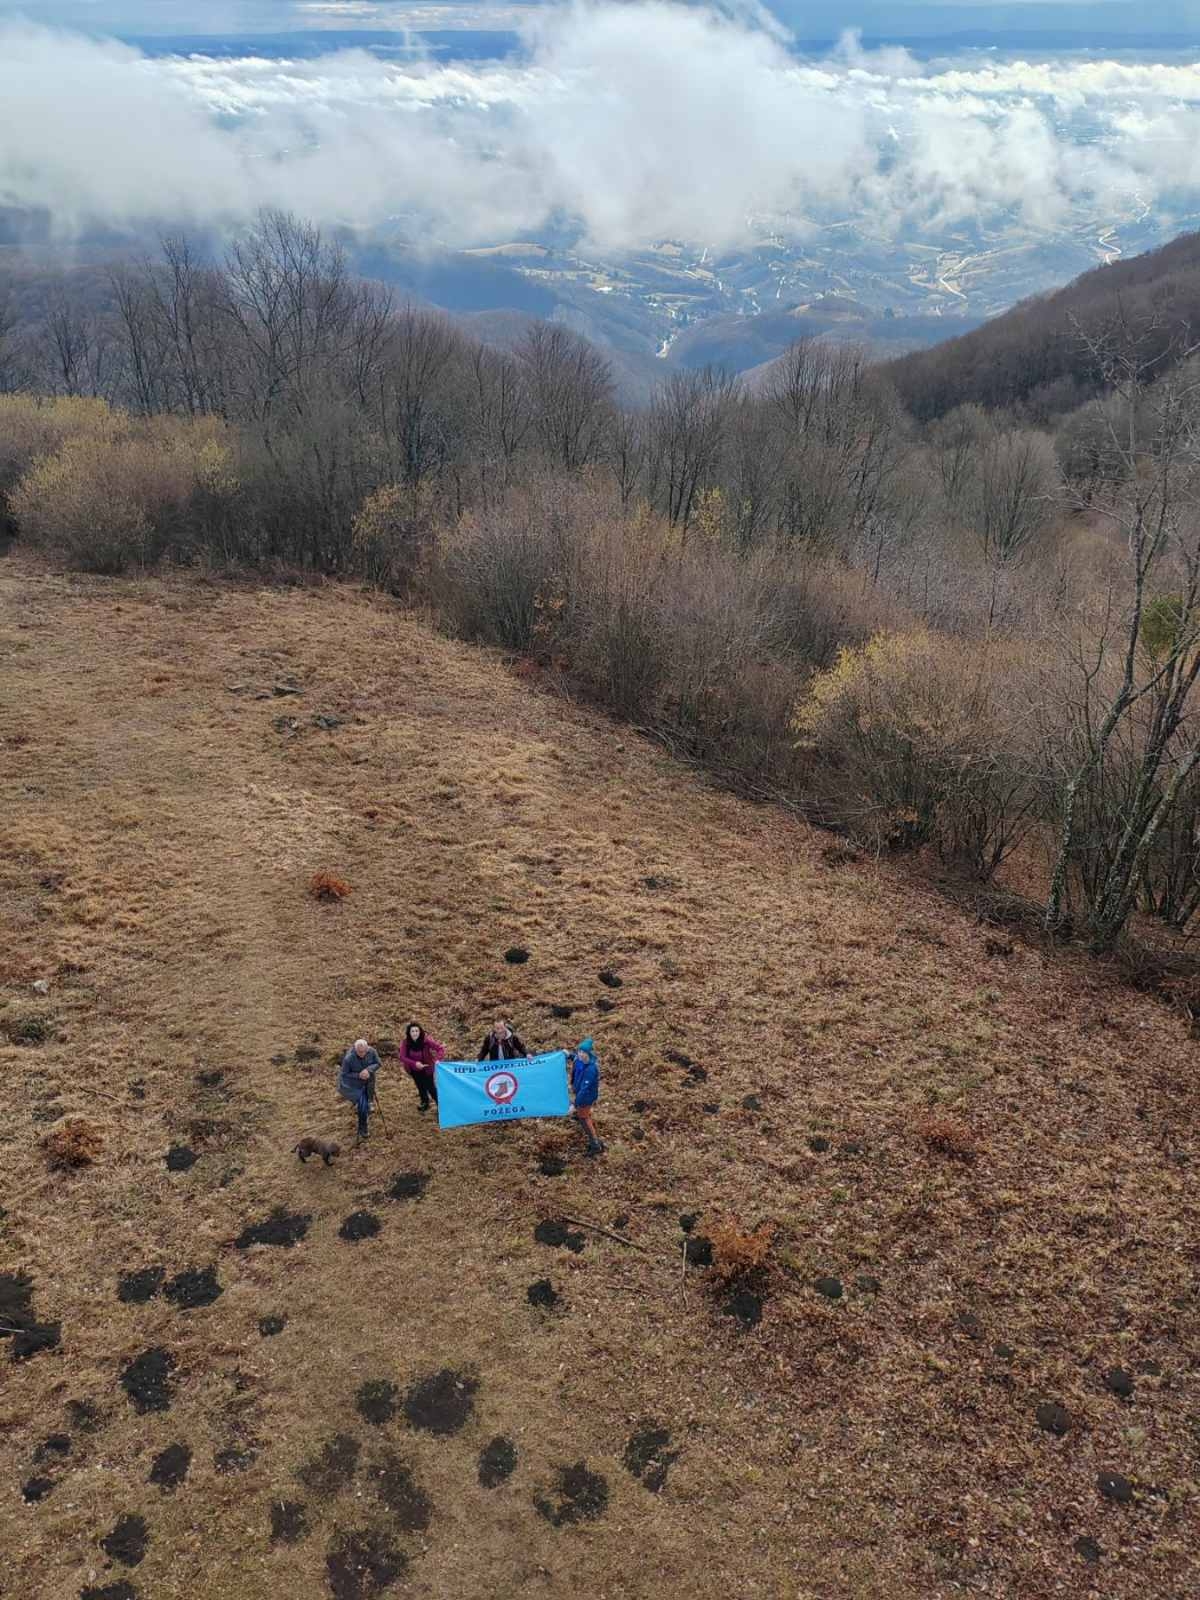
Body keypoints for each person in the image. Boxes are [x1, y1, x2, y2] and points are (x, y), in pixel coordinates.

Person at [339, 1037, 381, 1141]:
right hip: (355, 1084)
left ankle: (368, 1103)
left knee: (368, 1100)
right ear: (355, 1049)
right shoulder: (348, 1058)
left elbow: (378, 1063)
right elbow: (344, 1074)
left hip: (369, 1081)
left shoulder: (372, 1051)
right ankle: (363, 1128)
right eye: (359, 1052)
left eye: (364, 1052)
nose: (362, 1054)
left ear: (367, 1049)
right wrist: (359, 1075)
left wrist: (368, 1070)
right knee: (363, 1106)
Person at [399, 1021, 445, 1113]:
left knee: (431, 1088)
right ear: (409, 1033)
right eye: (412, 1031)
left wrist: (437, 1060)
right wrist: (415, 1063)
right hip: (414, 1070)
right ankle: (425, 1103)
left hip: (427, 1069)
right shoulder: (405, 1042)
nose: (415, 1033)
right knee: (420, 1087)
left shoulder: (426, 1040)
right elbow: (402, 1057)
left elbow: (440, 1049)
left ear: (420, 1032)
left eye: (417, 1031)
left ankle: (442, 1107)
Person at [569, 1037, 604, 1157]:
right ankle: (581, 1114)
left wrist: (575, 1104)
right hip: (579, 1093)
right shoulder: (579, 1060)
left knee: (584, 1118)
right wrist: (567, 1054)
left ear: (589, 1054)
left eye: (583, 1052)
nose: (580, 1054)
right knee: (584, 1115)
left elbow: (584, 1090)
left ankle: (595, 1145)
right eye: (579, 1051)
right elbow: (574, 1057)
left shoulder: (591, 1069)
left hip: (586, 1097)